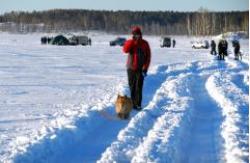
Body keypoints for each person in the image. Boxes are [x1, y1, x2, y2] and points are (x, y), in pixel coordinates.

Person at [123, 26, 151, 110]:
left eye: (138, 34)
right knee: (132, 87)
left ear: (140, 34)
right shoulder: (130, 42)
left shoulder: (145, 43)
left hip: (140, 68)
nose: (136, 36)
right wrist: (132, 42)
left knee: (139, 87)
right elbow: (125, 50)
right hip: (130, 68)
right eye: (135, 34)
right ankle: (132, 103)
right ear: (133, 35)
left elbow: (148, 57)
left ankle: (138, 104)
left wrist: (145, 68)